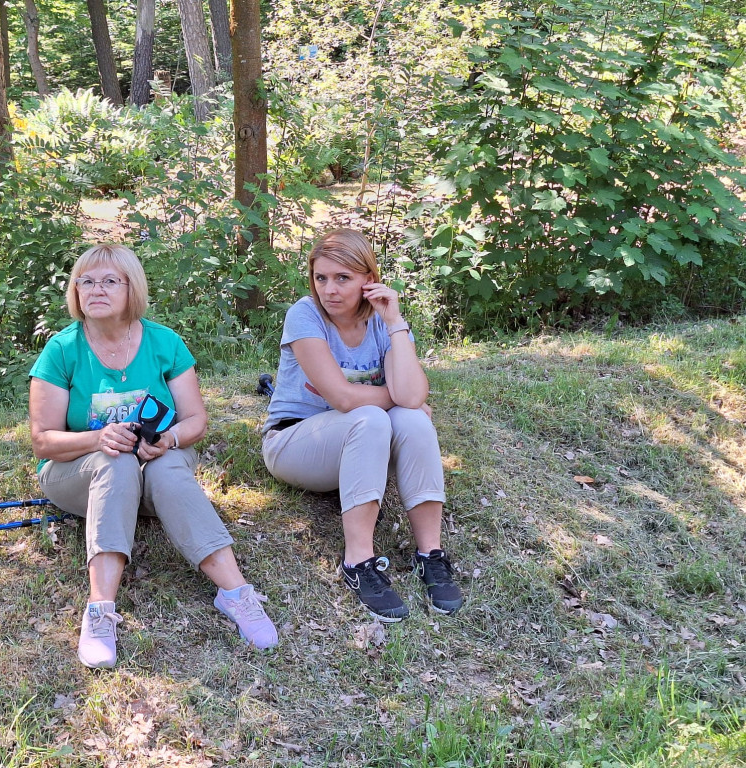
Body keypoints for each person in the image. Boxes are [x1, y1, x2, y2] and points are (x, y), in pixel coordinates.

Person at [29, 244, 278, 668]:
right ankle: (100, 611)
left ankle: (236, 594)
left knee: (163, 467)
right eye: (85, 281)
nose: (96, 290)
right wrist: (98, 439)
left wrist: (169, 440)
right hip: (78, 475)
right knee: (116, 459)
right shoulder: (61, 349)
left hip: (156, 471)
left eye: (109, 281)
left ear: (132, 288)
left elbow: (196, 419)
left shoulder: (164, 343)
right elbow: (44, 441)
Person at [261, 228, 462, 621]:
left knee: (413, 422)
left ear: (369, 280)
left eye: (343, 278)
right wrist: (403, 399)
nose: (329, 290)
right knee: (382, 413)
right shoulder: (305, 314)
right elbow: (344, 399)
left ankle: (430, 554)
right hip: (294, 442)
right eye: (321, 278)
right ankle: (358, 562)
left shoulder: (384, 322)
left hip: (362, 445)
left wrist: (396, 322)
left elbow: (412, 393)